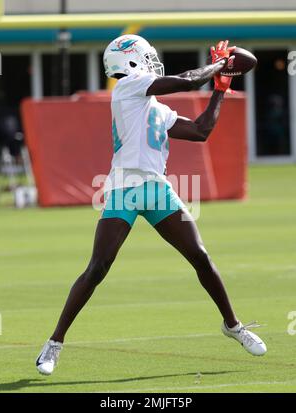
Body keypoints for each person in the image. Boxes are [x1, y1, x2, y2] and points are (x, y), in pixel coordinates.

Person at [36, 35, 266, 375]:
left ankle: (233, 325)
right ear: (131, 62)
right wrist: (221, 65)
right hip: (125, 187)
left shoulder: (154, 106)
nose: (153, 62)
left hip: (157, 188)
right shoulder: (128, 87)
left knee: (200, 256)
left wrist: (220, 87)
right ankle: (54, 343)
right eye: (148, 57)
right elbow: (187, 79)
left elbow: (202, 130)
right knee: (98, 266)